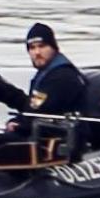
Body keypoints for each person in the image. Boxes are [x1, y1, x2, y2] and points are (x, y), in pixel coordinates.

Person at [21, 22, 87, 154]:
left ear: (53, 47)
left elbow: (39, 110)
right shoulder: (46, 73)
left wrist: (18, 125)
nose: (37, 52)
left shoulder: (61, 76)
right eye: (32, 48)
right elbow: (33, 109)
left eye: (42, 46)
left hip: (61, 139)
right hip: (48, 132)